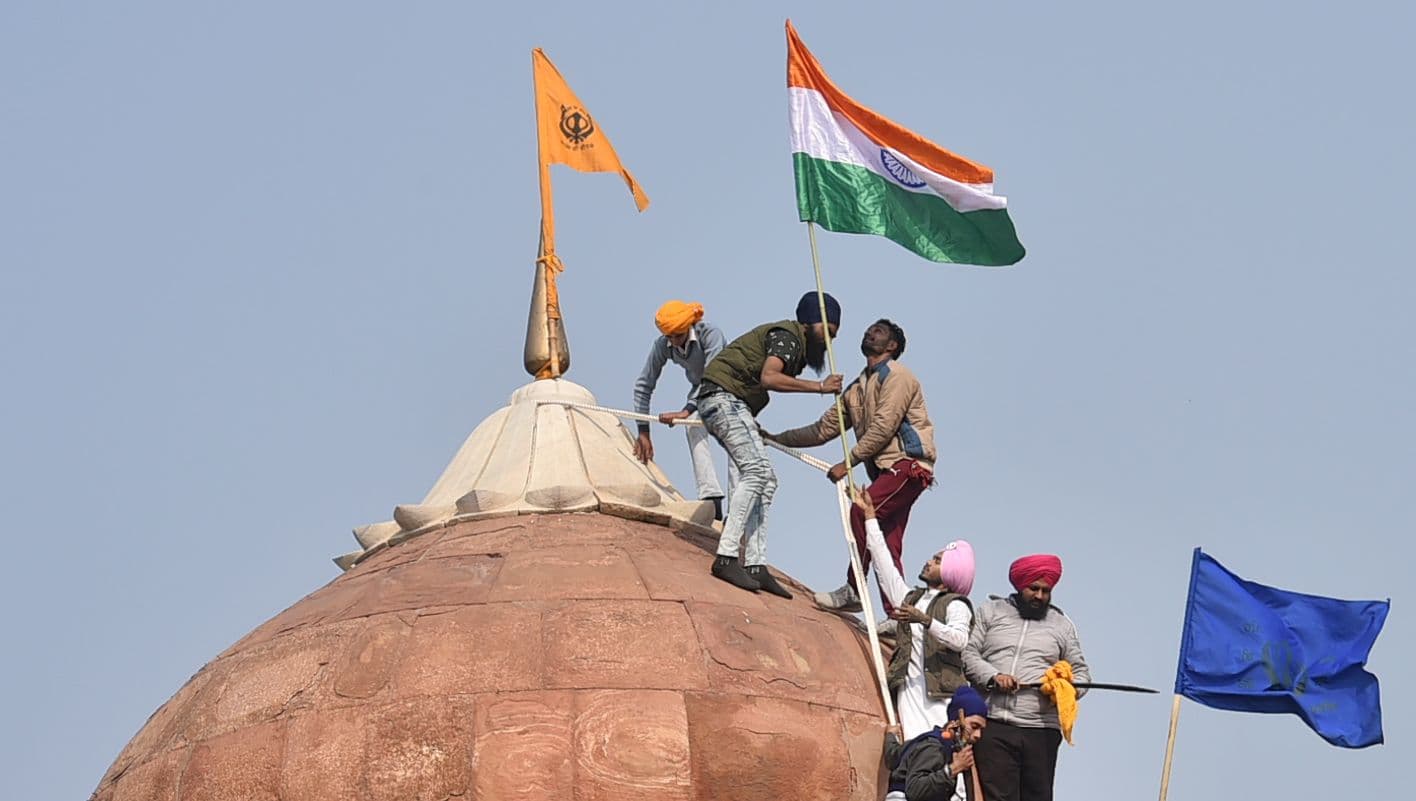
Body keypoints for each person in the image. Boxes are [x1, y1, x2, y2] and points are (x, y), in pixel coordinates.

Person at [769, 319, 935, 614]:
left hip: (907, 465)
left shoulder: (898, 376)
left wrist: (847, 463)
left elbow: (885, 426)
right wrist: (776, 438)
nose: (870, 332)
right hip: (888, 471)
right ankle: (897, 613)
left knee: (861, 510)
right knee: (885, 543)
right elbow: (823, 429)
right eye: (869, 329)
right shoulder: (857, 388)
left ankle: (854, 588)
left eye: (879, 332)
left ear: (892, 346)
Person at [695, 292, 844, 597]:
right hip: (723, 400)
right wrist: (819, 387)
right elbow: (769, 377)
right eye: (826, 332)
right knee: (758, 472)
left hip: (731, 405)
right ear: (809, 322)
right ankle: (726, 556)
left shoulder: (793, 344)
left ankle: (755, 564)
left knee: (767, 480)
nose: (828, 342)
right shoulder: (788, 337)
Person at [962, 555, 1091, 801]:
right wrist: (994, 677)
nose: (1040, 596)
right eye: (1034, 589)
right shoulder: (990, 611)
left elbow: (1082, 674)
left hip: (1040, 730)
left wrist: (1061, 689)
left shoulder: (1062, 626)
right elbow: (968, 654)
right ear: (1020, 586)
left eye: (1046, 590)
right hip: (994, 723)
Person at [853, 490, 975, 741]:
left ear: (951, 572)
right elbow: (883, 563)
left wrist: (925, 620)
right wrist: (870, 517)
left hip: (941, 696)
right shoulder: (912, 598)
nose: (929, 561)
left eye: (938, 560)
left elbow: (959, 640)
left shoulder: (957, 605)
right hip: (910, 691)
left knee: (942, 751)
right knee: (914, 750)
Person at [631, 300, 731, 519]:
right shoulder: (663, 345)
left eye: (678, 335)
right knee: (693, 428)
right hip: (701, 396)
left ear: (688, 327)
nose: (674, 341)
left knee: (733, 437)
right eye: (670, 337)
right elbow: (643, 385)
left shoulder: (710, 334)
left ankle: (738, 507)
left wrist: (685, 411)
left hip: (731, 389)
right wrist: (644, 432)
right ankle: (712, 500)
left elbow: (713, 377)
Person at [883, 686, 989, 801]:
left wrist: (890, 736)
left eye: (981, 729)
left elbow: (893, 755)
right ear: (956, 722)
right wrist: (952, 769)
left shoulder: (933, 742)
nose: (978, 735)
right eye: (974, 726)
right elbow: (913, 790)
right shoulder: (935, 747)